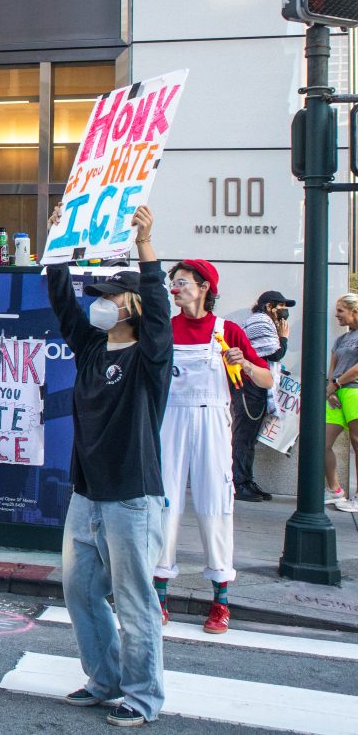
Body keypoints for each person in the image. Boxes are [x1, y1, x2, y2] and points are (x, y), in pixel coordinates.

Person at [46, 206, 171, 728]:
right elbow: (61, 303)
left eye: (108, 296)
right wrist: (58, 242)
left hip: (131, 498)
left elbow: (161, 311)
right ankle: (104, 680)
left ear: (132, 303)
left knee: (135, 600)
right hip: (87, 494)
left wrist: (146, 247)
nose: (98, 304)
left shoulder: (150, 356)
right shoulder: (92, 349)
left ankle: (142, 698)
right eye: (96, 296)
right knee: (79, 591)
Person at [155, 258, 273, 635]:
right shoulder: (164, 329)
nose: (175, 288)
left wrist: (246, 365)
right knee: (164, 504)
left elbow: (268, 379)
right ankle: (159, 595)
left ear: (205, 287)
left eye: (183, 282)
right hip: (170, 419)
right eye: (173, 283)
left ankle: (221, 600)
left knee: (215, 504)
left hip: (212, 419)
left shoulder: (228, 331)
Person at [232, 291, 293, 502]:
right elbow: (273, 353)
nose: (284, 312)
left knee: (249, 436)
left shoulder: (264, 321)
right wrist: (284, 338)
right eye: (281, 306)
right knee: (244, 435)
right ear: (269, 306)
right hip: (249, 385)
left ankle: (246, 480)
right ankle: (239, 483)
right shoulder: (260, 321)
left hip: (256, 385)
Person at [325, 294, 358, 510]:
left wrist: (336, 383)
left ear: (354, 311)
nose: (336, 315)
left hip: (354, 391)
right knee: (322, 443)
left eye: (340, 311)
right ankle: (335, 490)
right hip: (337, 394)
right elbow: (333, 366)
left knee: (357, 442)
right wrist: (330, 389)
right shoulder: (341, 339)